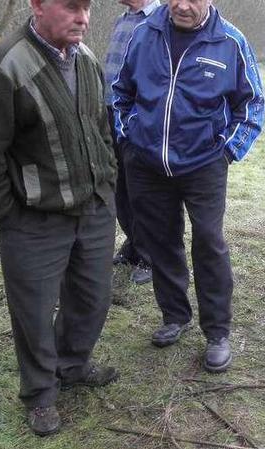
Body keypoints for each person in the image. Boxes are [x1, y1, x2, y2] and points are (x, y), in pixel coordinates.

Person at [0, 0, 119, 436]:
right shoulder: (5, 67)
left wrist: (107, 185)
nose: (82, 18)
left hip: (92, 209)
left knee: (93, 298)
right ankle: (40, 395)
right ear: (37, 5)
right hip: (33, 219)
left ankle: (72, 364)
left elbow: (101, 127)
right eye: (71, 7)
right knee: (32, 312)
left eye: (87, 8)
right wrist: (7, 215)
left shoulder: (87, 59)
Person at [112, 0, 264, 373]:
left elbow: (253, 105)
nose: (182, 5)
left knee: (209, 241)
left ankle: (217, 332)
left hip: (204, 164)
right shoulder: (143, 34)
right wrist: (127, 136)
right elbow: (120, 92)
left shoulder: (230, 42)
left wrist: (227, 152)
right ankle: (174, 315)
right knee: (160, 241)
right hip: (146, 162)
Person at [104, 0, 159, 285]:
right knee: (120, 189)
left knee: (143, 192)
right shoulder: (123, 19)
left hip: (136, 119)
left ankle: (152, 258)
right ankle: (134, 245)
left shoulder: (160, 20)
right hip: (109, 114)